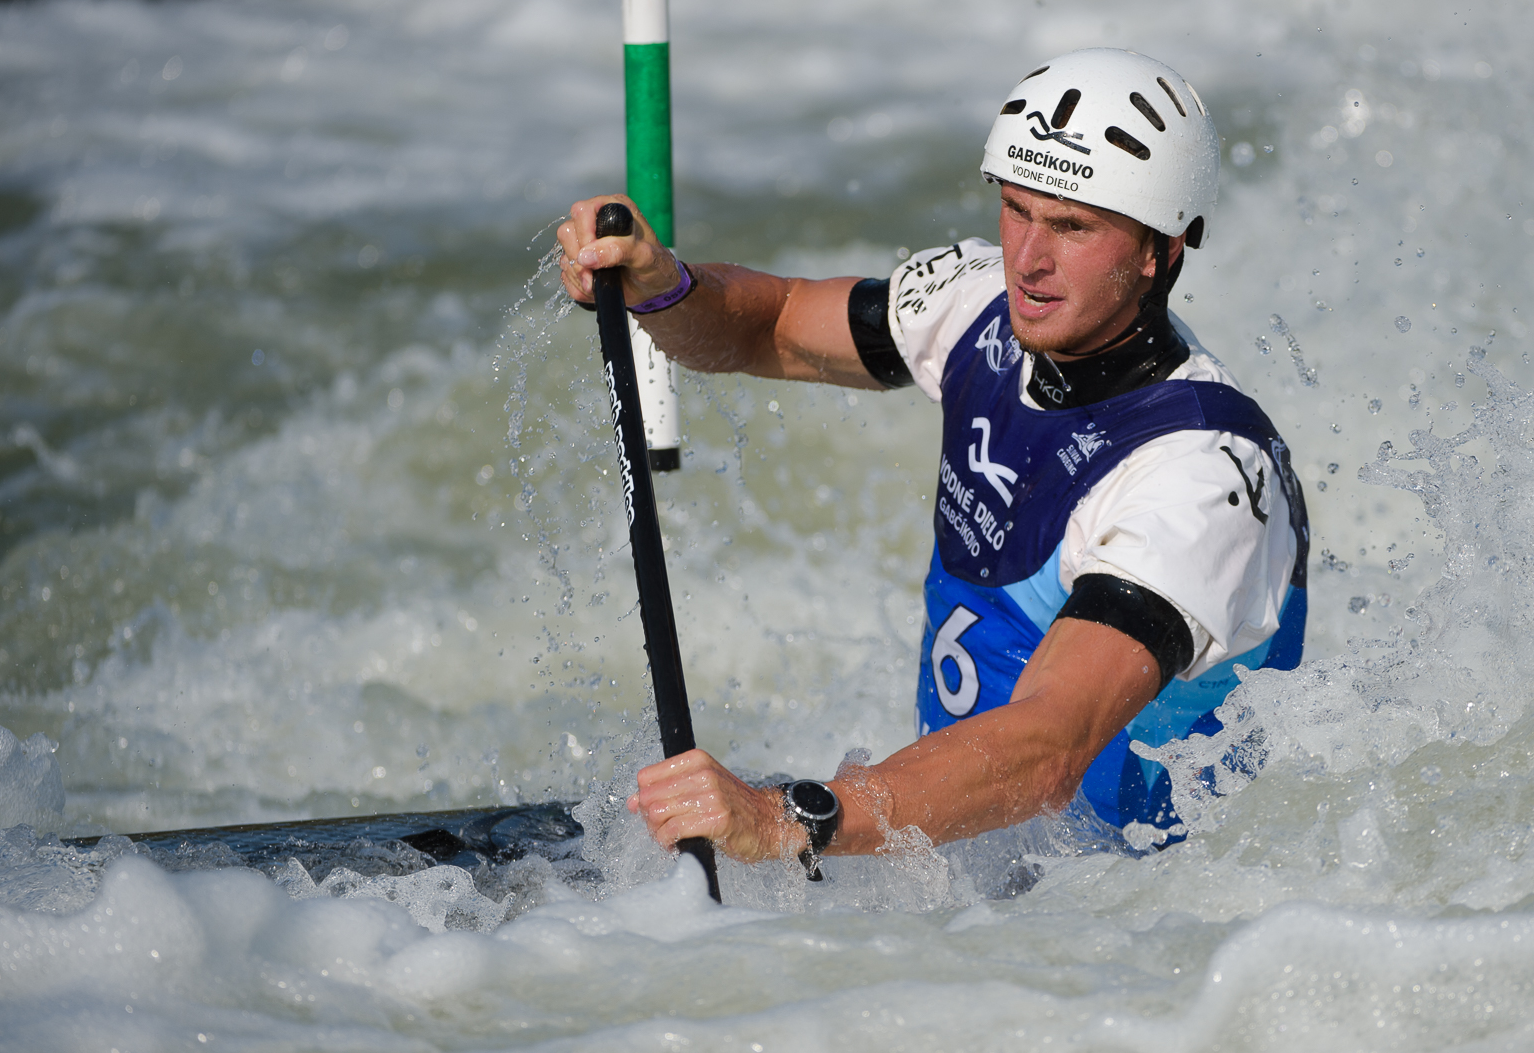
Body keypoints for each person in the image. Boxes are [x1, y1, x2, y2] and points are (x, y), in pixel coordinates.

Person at [557, 48, 1308, 874]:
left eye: (1072, 227)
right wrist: (663, 287)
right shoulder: (976, 303)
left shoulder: (1197, 475)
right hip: (953, 874)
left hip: (1129, 928)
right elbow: (762, 325)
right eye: (1017, 211)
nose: (1028, 259)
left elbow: (1051, 748)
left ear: (1162, 250)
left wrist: (787, 818)